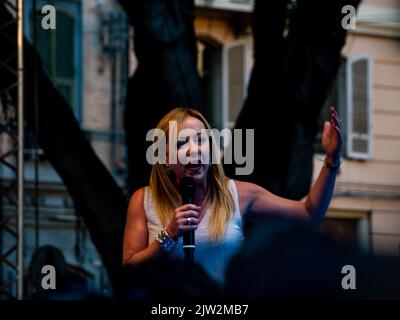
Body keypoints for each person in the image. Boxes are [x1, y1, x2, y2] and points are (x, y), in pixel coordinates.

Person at [122, 107, 342, 284]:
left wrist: (332, 160)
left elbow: (309, 213)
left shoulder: (239, 194)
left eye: (200, 140)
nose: (194, 150)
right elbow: (129, 269)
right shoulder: (144, 200)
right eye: (181, 143)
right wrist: (168, 235)